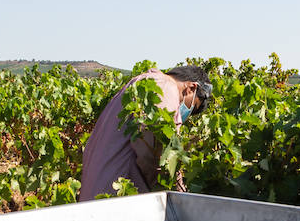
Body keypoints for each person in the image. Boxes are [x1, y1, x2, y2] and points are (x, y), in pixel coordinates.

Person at [78, 65, 212, 200]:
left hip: (96, 195)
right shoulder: (166, 87)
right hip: (116, 201)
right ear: (191, 88)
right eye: (192, 106)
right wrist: (176, 191)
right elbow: (154, 154)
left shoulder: (142, 82)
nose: (186, 114)